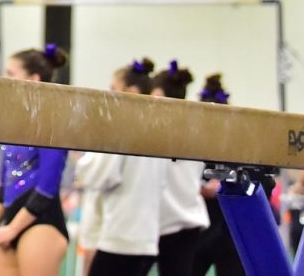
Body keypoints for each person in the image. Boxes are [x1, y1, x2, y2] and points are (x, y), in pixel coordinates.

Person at [0, 45, 71, 276]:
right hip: (11, 220)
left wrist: (12, 229)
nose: (4, 79)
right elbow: (4, 183)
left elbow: (46, 188)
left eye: (11, 74)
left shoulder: (52, 122)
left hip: (41, 222)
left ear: (33, 79)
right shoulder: (13, 124)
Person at [77, 59, 166, 276]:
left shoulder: (121, 128)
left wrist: (82, 164)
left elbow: (102, 176)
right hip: (146, 237)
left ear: (132, 92)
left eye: (113, 89)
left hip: (120, 237)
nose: (109, 95)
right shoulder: (157, 126)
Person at [150, 61, 208, 276]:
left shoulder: (156, 129)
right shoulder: (196, 127)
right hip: (180, 218)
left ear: (158, 94)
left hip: (172, 220)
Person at [190, 74, 243, 276]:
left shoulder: (237, 145)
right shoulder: (190, 145)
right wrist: (197, 187)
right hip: (199, 226)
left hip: (229, 229)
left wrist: (223, 184)